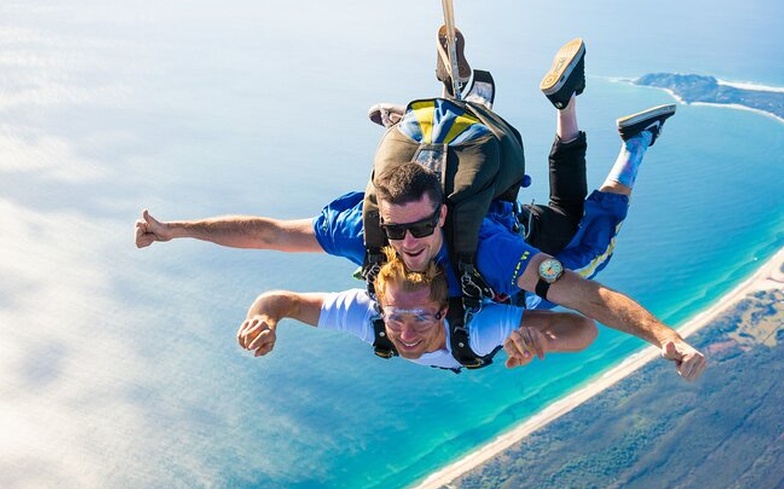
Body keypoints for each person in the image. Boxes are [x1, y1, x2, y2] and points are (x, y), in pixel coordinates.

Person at [135, 37, 707, 382]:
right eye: (396, 228)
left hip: (505, 236)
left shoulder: (481, 254)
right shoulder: (372, 242)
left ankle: (619, 138)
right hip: (485, 236)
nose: (404, 332)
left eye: (420, 227)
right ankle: (433, 115)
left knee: (585, 244)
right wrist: (173, 231)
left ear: (441, 216)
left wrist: (665, 340)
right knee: (566, 229)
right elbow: (267, 237)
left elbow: (586, 303)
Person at [237, 248, 598, 372]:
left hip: (526, 293)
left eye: (421, 317)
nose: (405, 335)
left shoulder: (481, 329)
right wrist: (265, 319)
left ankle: (632, 143)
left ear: (443, 312)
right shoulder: (367, 315)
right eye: (395, 317)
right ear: (380, 307)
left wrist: (543, 339)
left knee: (589, 253)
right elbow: (284, 301)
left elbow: (584, 329)